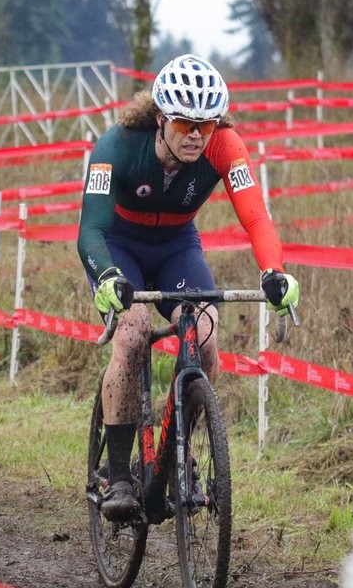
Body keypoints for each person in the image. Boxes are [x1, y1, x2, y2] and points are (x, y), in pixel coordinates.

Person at [77, 54, 300, 520]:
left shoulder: (225, 146)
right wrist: (106, 277)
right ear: (160, 118)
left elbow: (256, 216)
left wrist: (274, 270)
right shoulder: (116, 146)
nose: (196, 135)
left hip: (177, 247)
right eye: (184, 123)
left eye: (207, 124)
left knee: (207, 338)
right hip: (121, 247)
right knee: (134, 334)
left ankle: (177, 453)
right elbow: (90, 232)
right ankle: (118, 475)